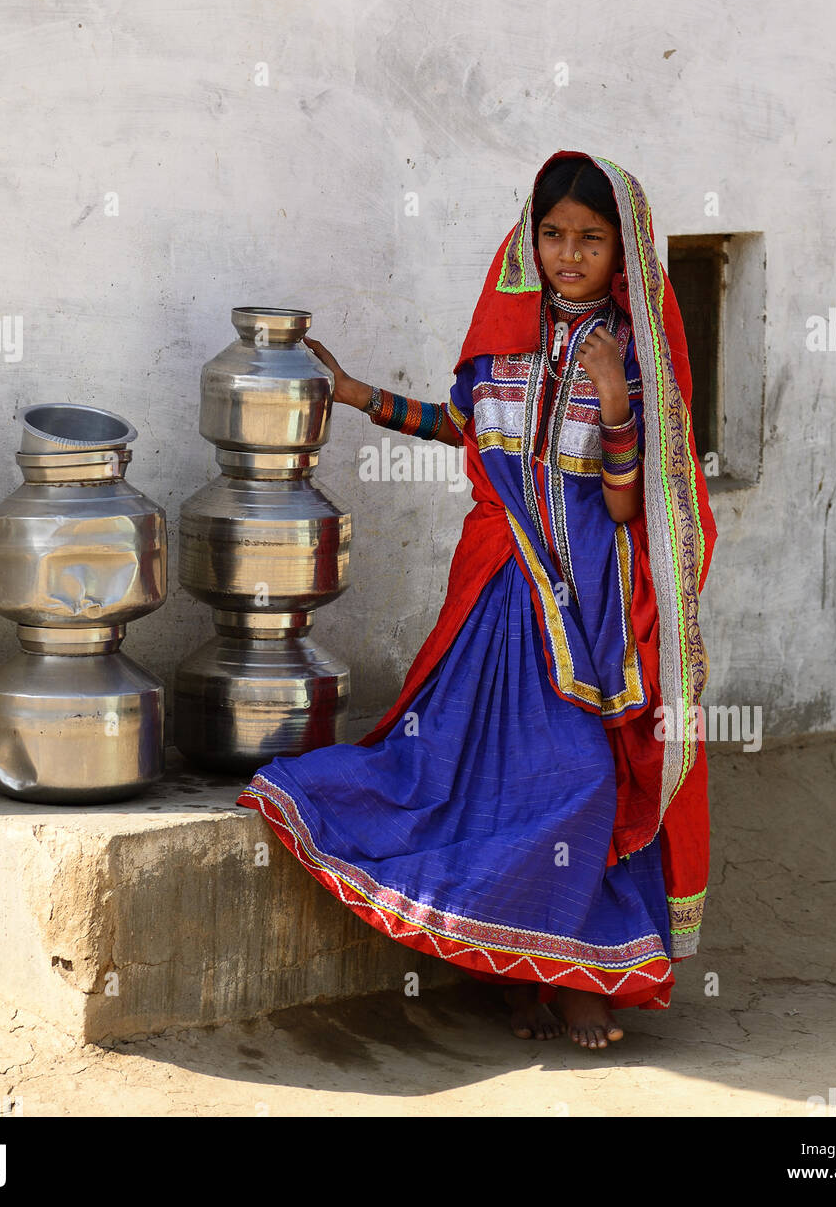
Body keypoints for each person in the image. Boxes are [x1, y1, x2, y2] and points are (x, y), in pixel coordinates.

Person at [236, 151, 718, 1049]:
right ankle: (513, 974)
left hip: (585, 610)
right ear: (526, 241)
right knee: (467, 770)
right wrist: (354, 395)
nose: (568, 254)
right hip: (499, 594)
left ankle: (578, 976)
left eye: (589, 238)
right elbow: (462, 426)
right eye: (551, 235)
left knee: (580, 780)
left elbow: (624, 502)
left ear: (624, 250)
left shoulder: (633, 352)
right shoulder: (504, 343)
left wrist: (612, 393)